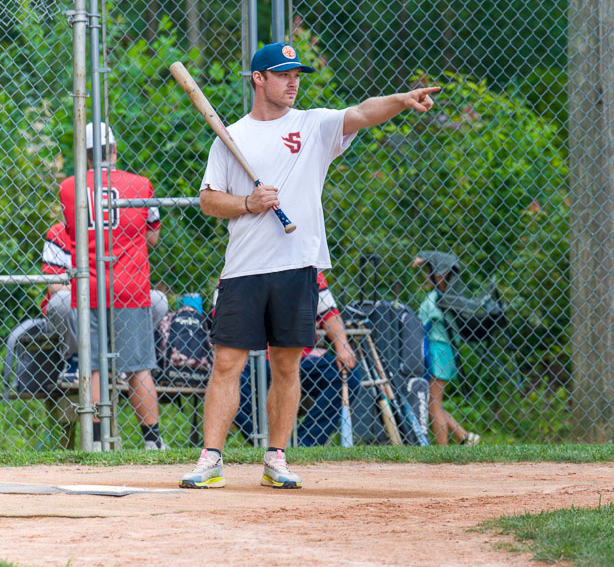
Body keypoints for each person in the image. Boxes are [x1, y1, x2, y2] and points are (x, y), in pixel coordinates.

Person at [180, 42, 439, 489]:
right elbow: (207, 200)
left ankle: (275, 458)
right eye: (283, 75)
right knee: (227, 363)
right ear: (259, 79)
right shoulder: (232, 136)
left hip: (297, 265)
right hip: (243, 269)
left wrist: (401, 99)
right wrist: (247, 202)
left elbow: (362, 112)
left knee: (286, 364)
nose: (293, 82)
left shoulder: (313, 125)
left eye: (296, 74)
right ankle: (211, 459)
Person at [58, 122, 166, 450]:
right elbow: (152, 235)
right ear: (114, 151)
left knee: (91, 364)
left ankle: (95, 440)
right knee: (137, 366)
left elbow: (69, 232)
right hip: (130, 284)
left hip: (88, 285)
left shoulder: (69, 187)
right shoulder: (141, 185)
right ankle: (152, 440)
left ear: (85, 155)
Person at [233, 272, 358, 446]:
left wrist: (342, 345)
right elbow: (223, 318)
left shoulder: (307, 266)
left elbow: (329, 313)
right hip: (254, 356)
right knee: (230, 380)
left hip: (300, 356)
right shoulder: (242, 263)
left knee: (347, 375)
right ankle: (267, 442)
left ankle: (302, 444)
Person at [43, 222, 169, 384]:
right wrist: (95, 290)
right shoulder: (59, 231)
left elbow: (134, 280)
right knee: (62, 301)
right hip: (81, 302)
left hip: (115, 300)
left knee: (158, 300)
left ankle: (122, 360)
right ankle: (77, 361)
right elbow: (55, 286)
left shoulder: (120, 230)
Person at [412, 253, 480, 446]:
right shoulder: (447, 298)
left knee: (433, 404)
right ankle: (465, 437)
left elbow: (420, 322)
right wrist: (424, 257)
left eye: (429, 271)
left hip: (439, 352)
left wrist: (423, 257)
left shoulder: (439, 299)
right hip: (440, 352)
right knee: (433, 404)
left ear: (440, 275)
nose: (426, 276)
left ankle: (443, 450)